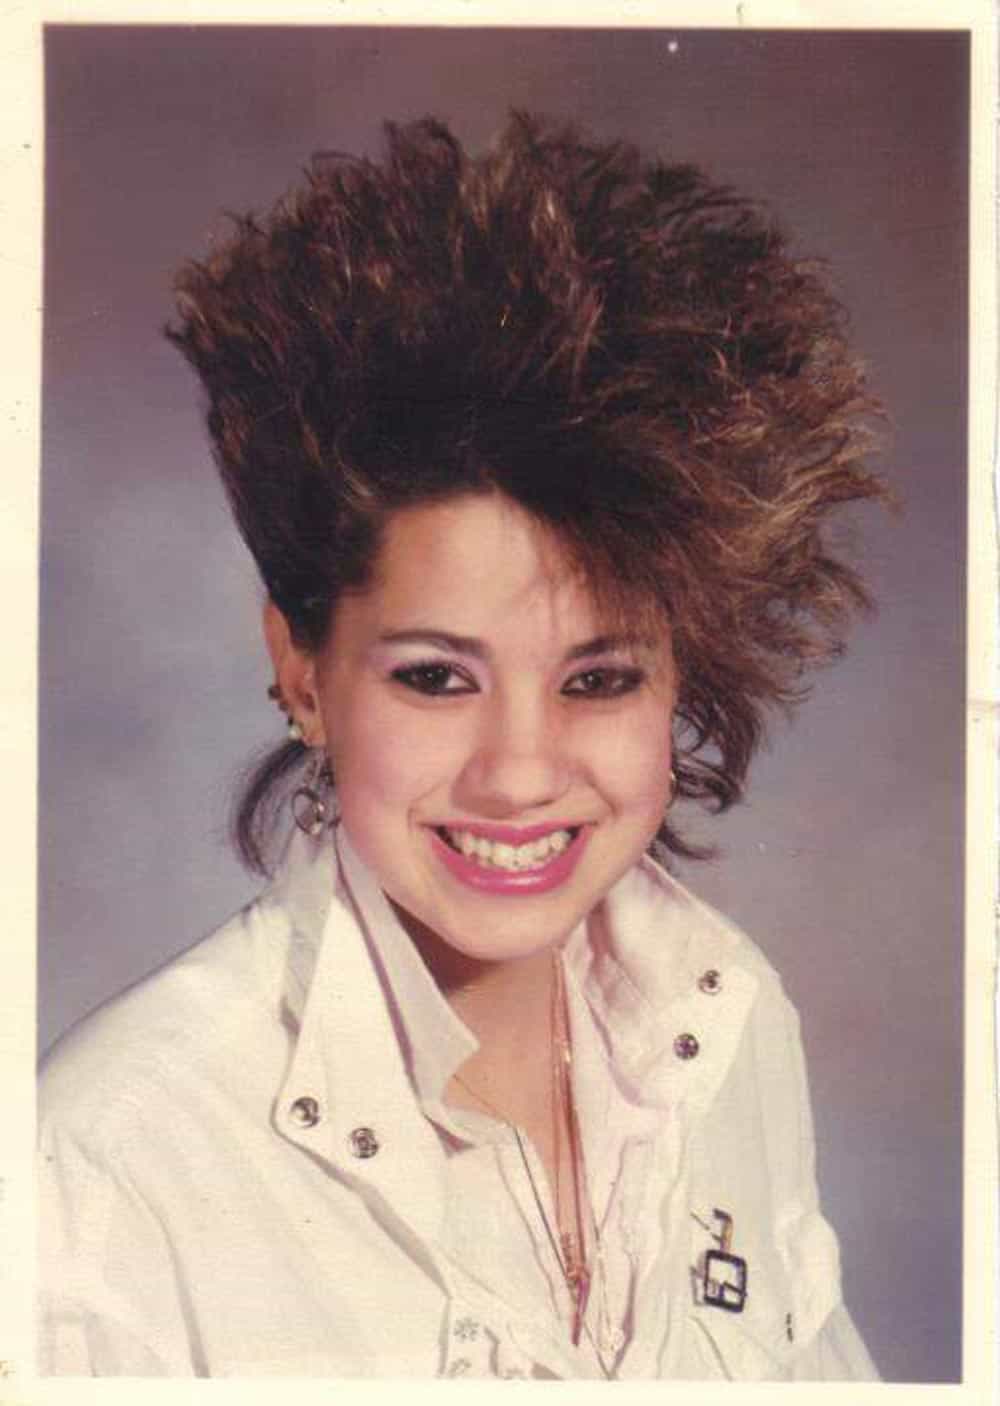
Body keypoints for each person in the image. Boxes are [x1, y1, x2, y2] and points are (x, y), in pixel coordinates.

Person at [38, 112, 888, 1379]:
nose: (518, 772)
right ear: (302, 670)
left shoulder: (728, 1022)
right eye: (436, 676)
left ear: (681, 683)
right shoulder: (113, 1161)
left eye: (598, 677)